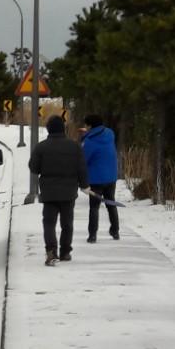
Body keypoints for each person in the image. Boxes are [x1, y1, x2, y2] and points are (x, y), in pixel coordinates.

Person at [29, 115, 90, 266]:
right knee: (67, 223)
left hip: (49, 192)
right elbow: (81, 168)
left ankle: (51, 251)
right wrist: (84, 185)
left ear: (48, 129)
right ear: (63, 129)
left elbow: (33, 168)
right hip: (68, 192)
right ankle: (65, 252)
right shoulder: (74, 146)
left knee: (49, 223)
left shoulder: (41, 147)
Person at [81, 114, 120, 242]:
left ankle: (92, 235)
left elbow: (84, 159)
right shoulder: (110, 134)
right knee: (111, 203)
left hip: (96, 178)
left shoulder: (89, 141)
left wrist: (84, 138)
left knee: (94, 207)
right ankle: (115, 231)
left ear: (90, 126)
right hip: (111, 176)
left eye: (86, 125)